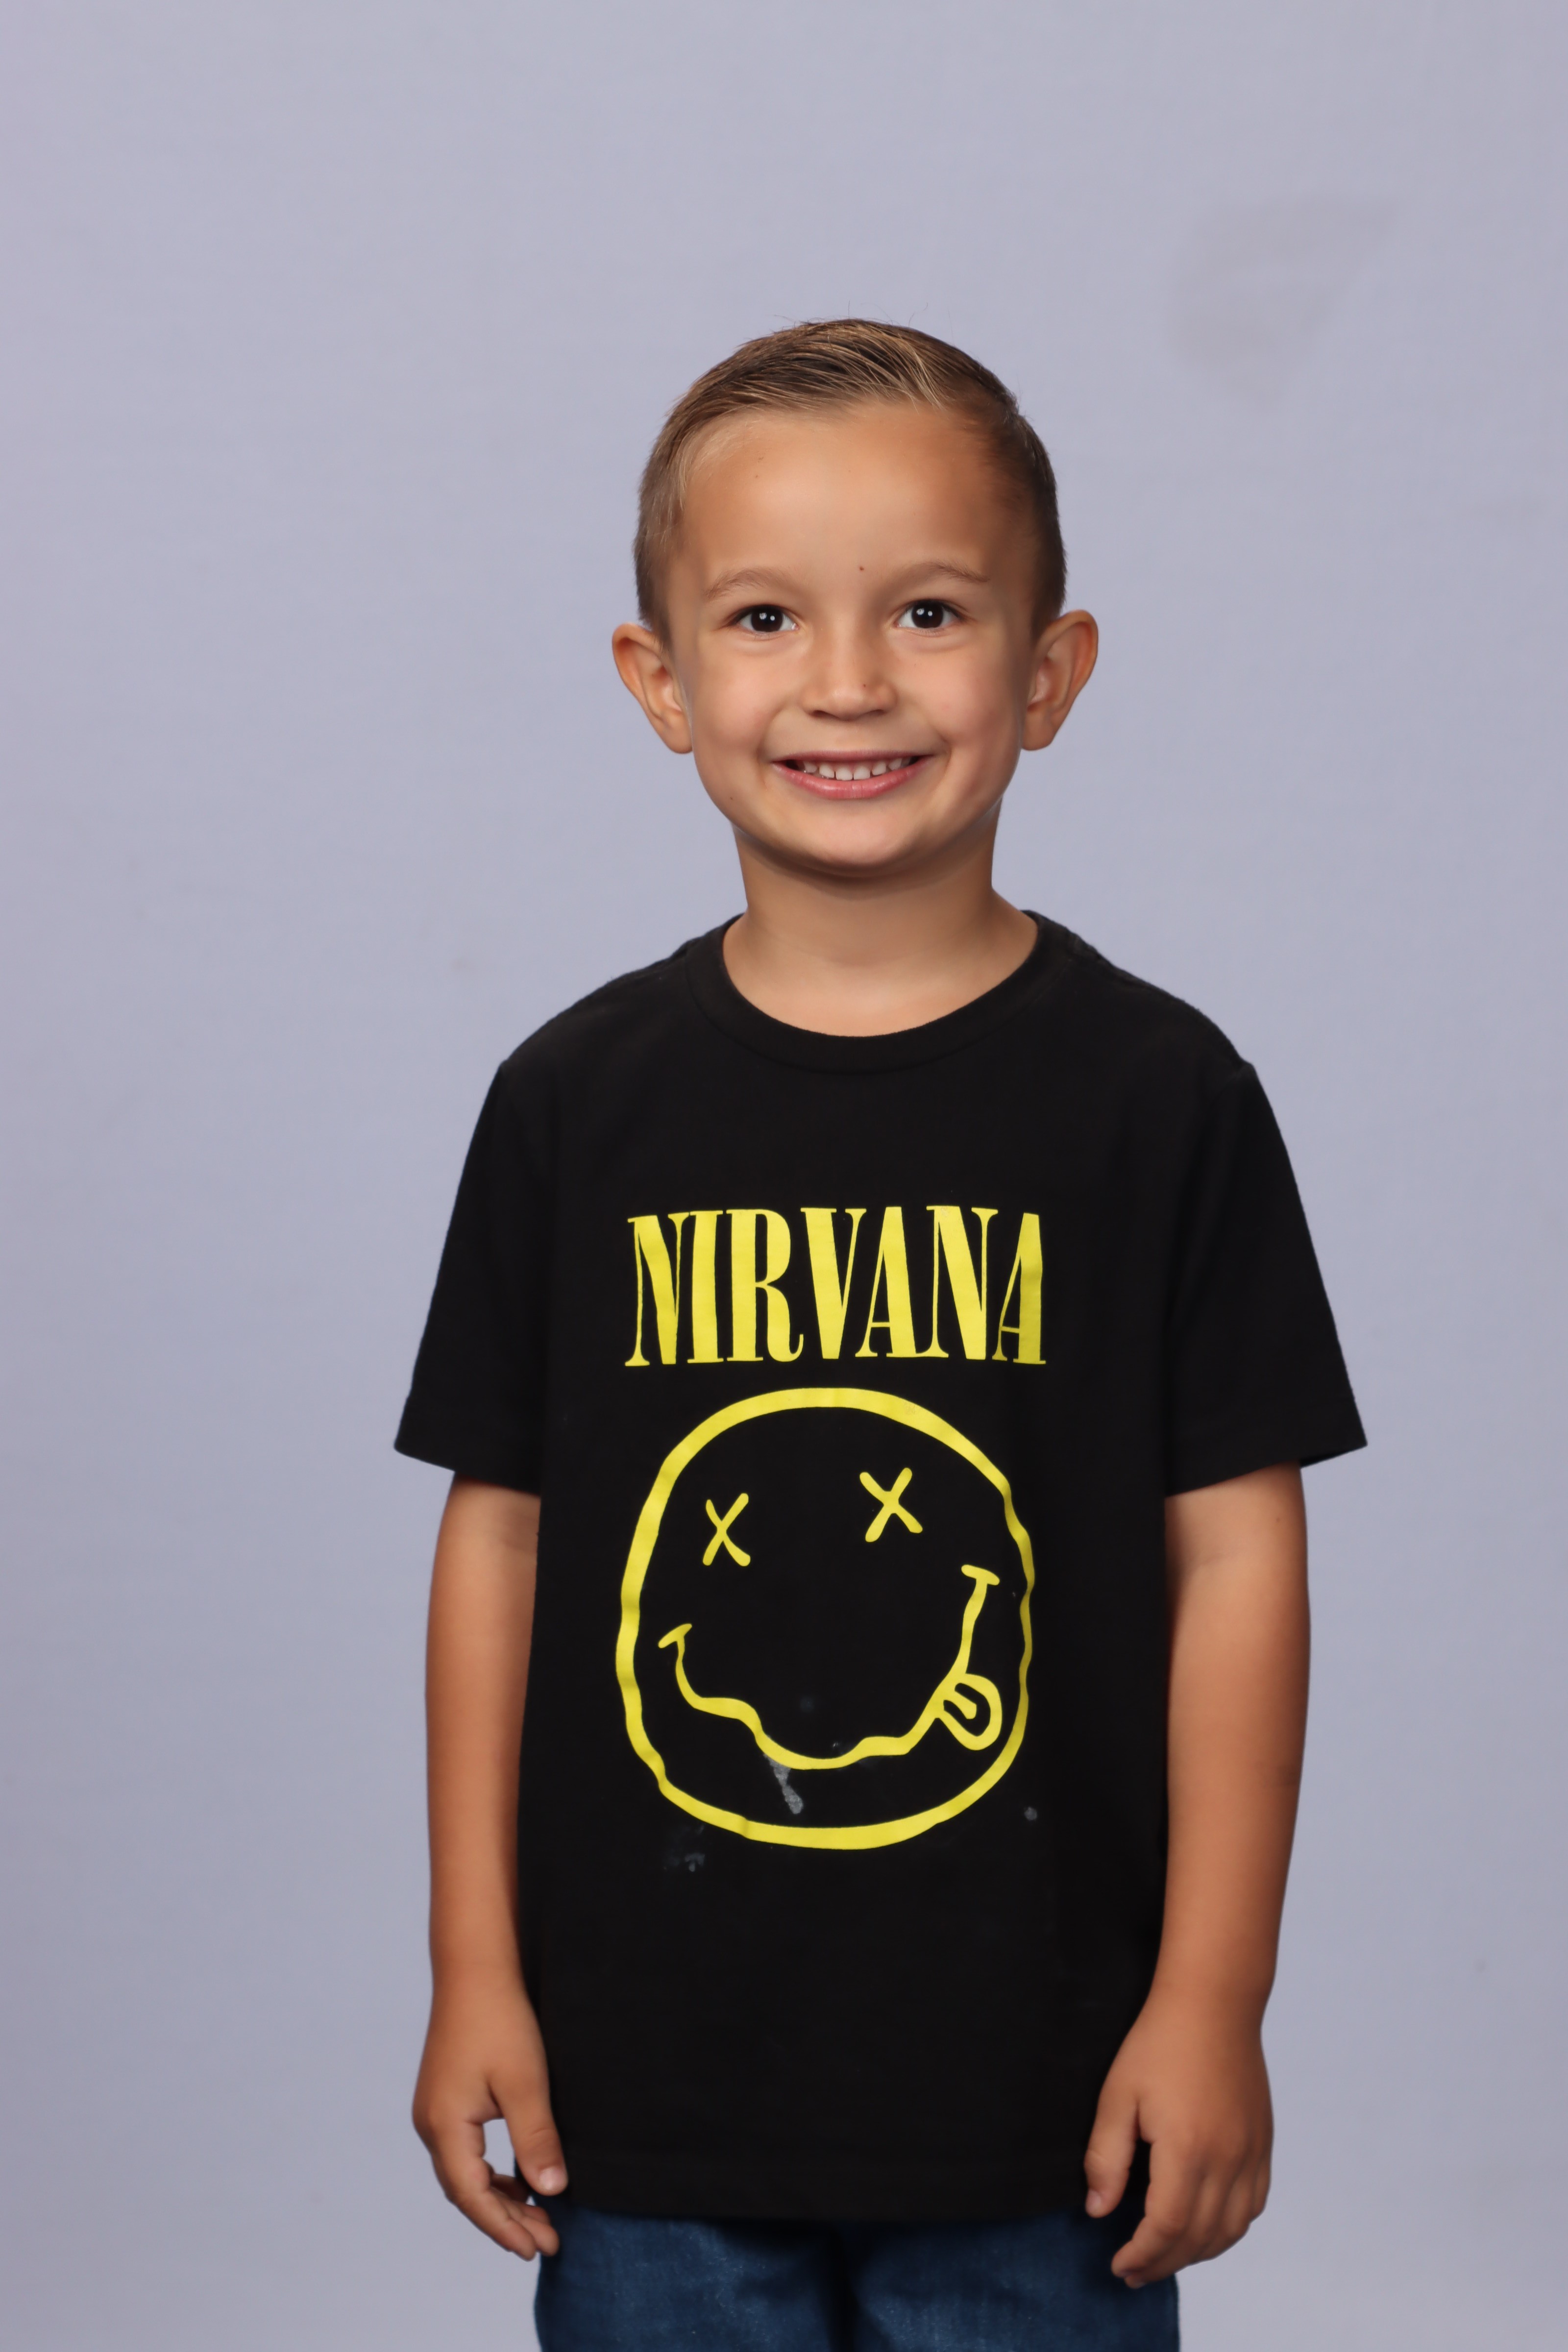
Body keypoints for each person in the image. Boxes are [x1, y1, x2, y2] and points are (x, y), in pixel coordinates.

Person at [396, 319, 1365, 2351]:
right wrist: (471, 1966)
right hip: (642, 2097)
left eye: (928, 610)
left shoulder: (1159, 1102)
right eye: (764, 616)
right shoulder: (574, 1106)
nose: (847, 680)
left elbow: (1234, 1564)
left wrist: (1213, 1999)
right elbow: (504, 1542)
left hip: (1047, 2106)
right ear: (660, 680)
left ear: (1049, 671)